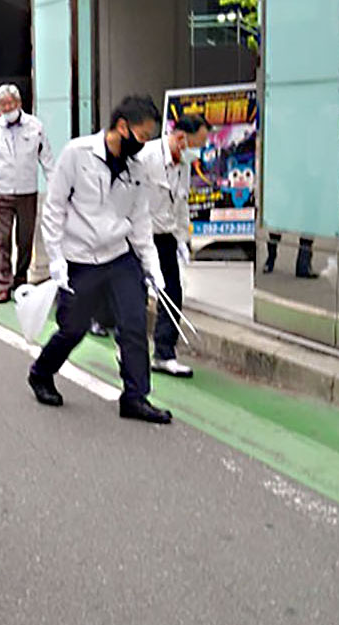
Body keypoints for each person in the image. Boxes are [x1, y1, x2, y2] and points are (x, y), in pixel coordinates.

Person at [27, 94, 173, 425]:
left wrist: (153, 268)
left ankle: (135, 397)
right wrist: (56, 260)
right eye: (142, 135)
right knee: (73, 328)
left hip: (119, 257)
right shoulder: (77, 155)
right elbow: (55, 209)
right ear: (122, 126)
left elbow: (140, 221)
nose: (145, 144)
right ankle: (41, 372)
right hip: (79, 258)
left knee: (134, 325)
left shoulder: (136, 168)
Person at [137, 114, 211, 377]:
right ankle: (129, 353)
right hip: (139, 237)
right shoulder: (146, 157)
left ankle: (164, 354)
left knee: (172, 294)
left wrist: (183, 240)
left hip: (166, 237)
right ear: (181, 138)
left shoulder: (184, 164)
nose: (199, 150)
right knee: (134, 297)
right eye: (197, 143)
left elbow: (181, 205)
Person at [0, 84, 55, 303]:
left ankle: (21, 279)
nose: (8, 108)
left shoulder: (35, 126)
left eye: (11, 103)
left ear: (19, 103)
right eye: (3, 105)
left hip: (27, 191)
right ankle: (3, 283)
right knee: (2, 240)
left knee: (25, 239)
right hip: (2, 191)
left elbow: (46, 159)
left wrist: (55, 188)